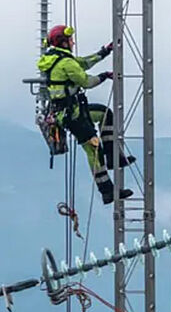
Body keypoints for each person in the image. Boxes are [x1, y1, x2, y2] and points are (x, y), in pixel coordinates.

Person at [38, 24, 135, 204]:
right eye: (70, 40)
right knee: (93, 148)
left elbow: (83, 62)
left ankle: (114, 157)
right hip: (72, 115)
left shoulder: (60, 60)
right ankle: (107, 190)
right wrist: (104, 76)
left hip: (73, 111)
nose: (73, 42)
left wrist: (105, 51)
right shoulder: (65, 63)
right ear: (63, 43)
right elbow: (86, 81)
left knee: (105, 114)